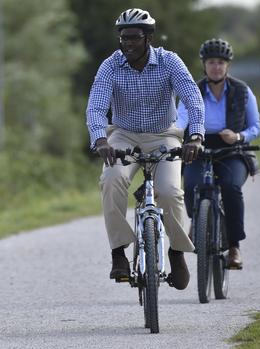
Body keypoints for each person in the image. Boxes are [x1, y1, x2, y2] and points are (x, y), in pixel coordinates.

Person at [86, 8, 205, 290]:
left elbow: (193, 99)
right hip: (123, 135)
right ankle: (118, 253)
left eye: (134, 38)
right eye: (123, 38)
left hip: (164, 135)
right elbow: (97, 106)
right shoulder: (110, 66)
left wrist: (196, 136)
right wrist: (100, 139)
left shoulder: (169, 62)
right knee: (111, 179)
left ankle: (176, 253)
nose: (127, 44)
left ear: (148, 38)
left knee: (169, 191)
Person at [177, 38, 260, 269]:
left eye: (221, 62)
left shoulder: (243, 91)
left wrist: (238, 137)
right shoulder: (192, 91)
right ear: (204, 65)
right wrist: (177, 131)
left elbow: (255, 127)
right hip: (198, 145)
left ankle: (234, 246)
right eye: (211, 62)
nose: (216, 66)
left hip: (233, 149)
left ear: (228, 66)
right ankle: (198, 220)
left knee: (231, 187)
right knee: (192, 185)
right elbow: (182, 117)